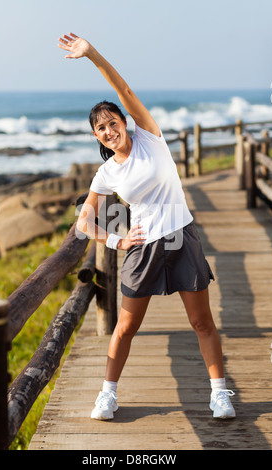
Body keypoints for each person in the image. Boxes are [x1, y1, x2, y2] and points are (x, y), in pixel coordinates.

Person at [57, 33, 236, 420]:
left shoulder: (151, 138)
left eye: (113, 121)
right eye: (100, 128)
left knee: (201, 321)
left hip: (181, 237)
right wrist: (118, 241)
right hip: (142, 247)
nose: (109, 130)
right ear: (96, 137)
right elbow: (84, 220)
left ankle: (220, 393)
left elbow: (121, 86)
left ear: (125, 121)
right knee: (125, 327)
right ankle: (108, 394)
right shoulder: (106, 173)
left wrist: (91, 55)